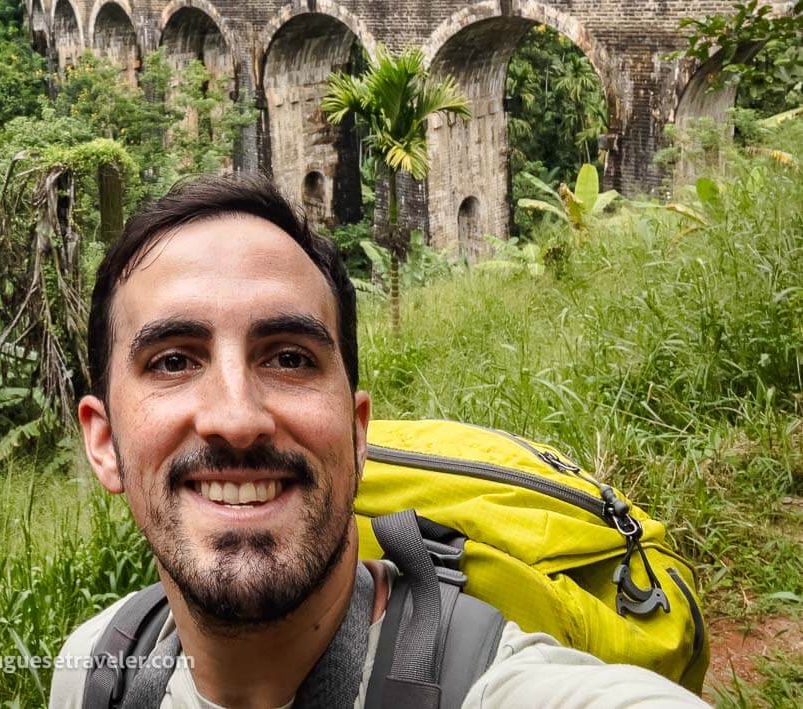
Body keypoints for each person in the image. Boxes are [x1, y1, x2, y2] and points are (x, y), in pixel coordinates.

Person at [51, 176, 705, 708]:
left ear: (359, 433)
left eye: (289, 357)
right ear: (103, 441)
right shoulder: (94, 669)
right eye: (172, 360)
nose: (237, 416)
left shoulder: (491, 684)